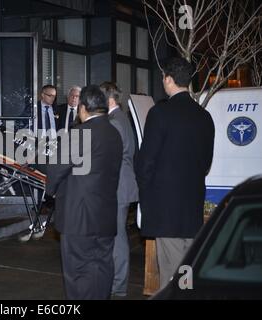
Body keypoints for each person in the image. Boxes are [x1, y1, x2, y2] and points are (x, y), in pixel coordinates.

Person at [135, 57, 215, 288]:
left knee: (170, 273)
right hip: (192, 204)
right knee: (187, 269)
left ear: (168, 80)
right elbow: (206, 162)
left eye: (163, 77)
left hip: (165, 207)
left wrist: (145, 193)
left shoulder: (160, 113)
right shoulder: (204, 116)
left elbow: (145, 162)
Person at [46, 84, 123, 300]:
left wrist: (50, 191)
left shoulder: (79, 133)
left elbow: (56, 168)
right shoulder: (114, 134)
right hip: (106, 215)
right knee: (102, 267)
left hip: (78, 218)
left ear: (82, 108)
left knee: (78, 273)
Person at [100, 81, 139, 297]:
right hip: (121, 186)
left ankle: (118, 285)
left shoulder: (114, 122)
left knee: (117, 238)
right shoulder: (120, 119)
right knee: (117, 235)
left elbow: (109, 158)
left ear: (110, 100)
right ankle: (117, 282)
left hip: (118, 188)